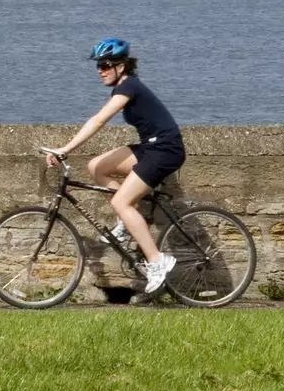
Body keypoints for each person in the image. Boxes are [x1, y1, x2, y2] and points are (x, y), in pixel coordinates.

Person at [42, 38, 187, 293]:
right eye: (99, 65)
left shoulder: (128, 87)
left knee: (121, 201)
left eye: (106, 64)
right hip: (151, 147)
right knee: (96, 166)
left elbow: (99, 120)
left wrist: (65, 149)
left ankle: (157, 261)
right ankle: (126, 222)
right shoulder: (122, 88)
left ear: (122, 66)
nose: (101, 70)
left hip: (165, 151)